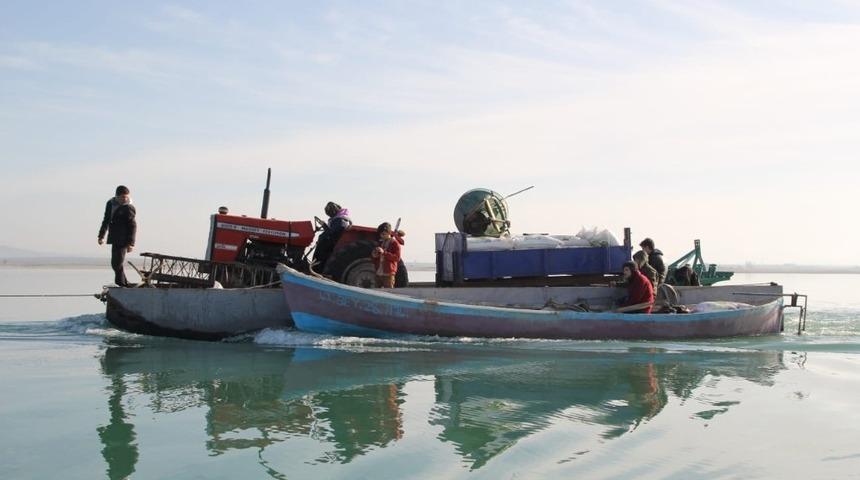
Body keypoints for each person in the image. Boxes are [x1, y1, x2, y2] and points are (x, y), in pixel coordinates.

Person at [98, 185, 137, 287]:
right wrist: (101, 236)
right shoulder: (110, 204)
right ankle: (123, 283)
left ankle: (121, 284)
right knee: (114, 263)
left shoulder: (129, 207)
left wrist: (131, 244)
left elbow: (133, 226)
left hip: (124, 239)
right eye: (123, 197)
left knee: (117, 263)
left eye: (127, 197)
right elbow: (106, 220)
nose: (125, 199)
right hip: (114, 237)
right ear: (117, 196)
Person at [312, 201, 353, 270]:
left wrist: (324, 226)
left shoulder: (340, 220)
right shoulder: (340, 219)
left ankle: (317, 268)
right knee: (322, 239)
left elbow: (333, 233)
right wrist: (324, 226)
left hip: (334, 242)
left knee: (322, 245)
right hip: (334, 240)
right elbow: (332, 231)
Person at [371, 222, 403, 288]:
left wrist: (384, 253)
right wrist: (375, 255)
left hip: (388, 274)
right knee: (376, 291)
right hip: (379, 273)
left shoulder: (395, 243)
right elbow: (378, 257)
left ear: (389, 233)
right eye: (381, 234)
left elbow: (397, 258)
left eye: (383, 234)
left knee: (389, 291)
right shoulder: (381, 242)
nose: (382, 236)